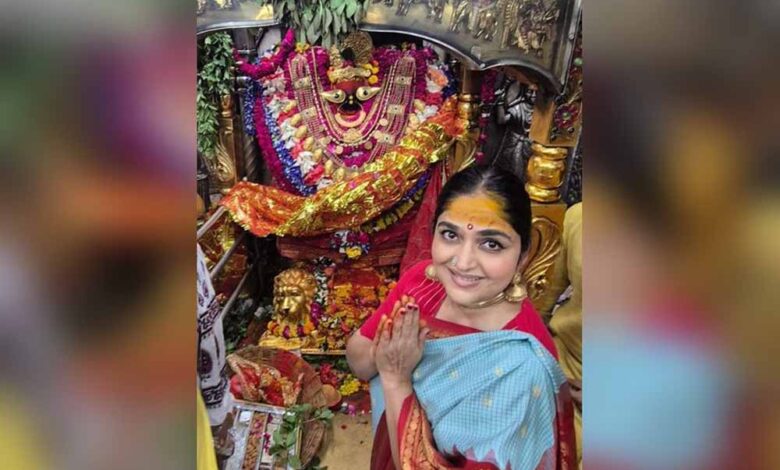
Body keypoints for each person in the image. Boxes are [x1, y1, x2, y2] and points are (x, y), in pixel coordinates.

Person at [346, 165, 576, 469]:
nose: (463, 263)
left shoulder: (522, 367)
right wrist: (387, 354)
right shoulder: (424, 283)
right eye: (450, 234)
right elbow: (358, 361)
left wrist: (396, 378)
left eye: (491, 244)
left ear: (523, 255)